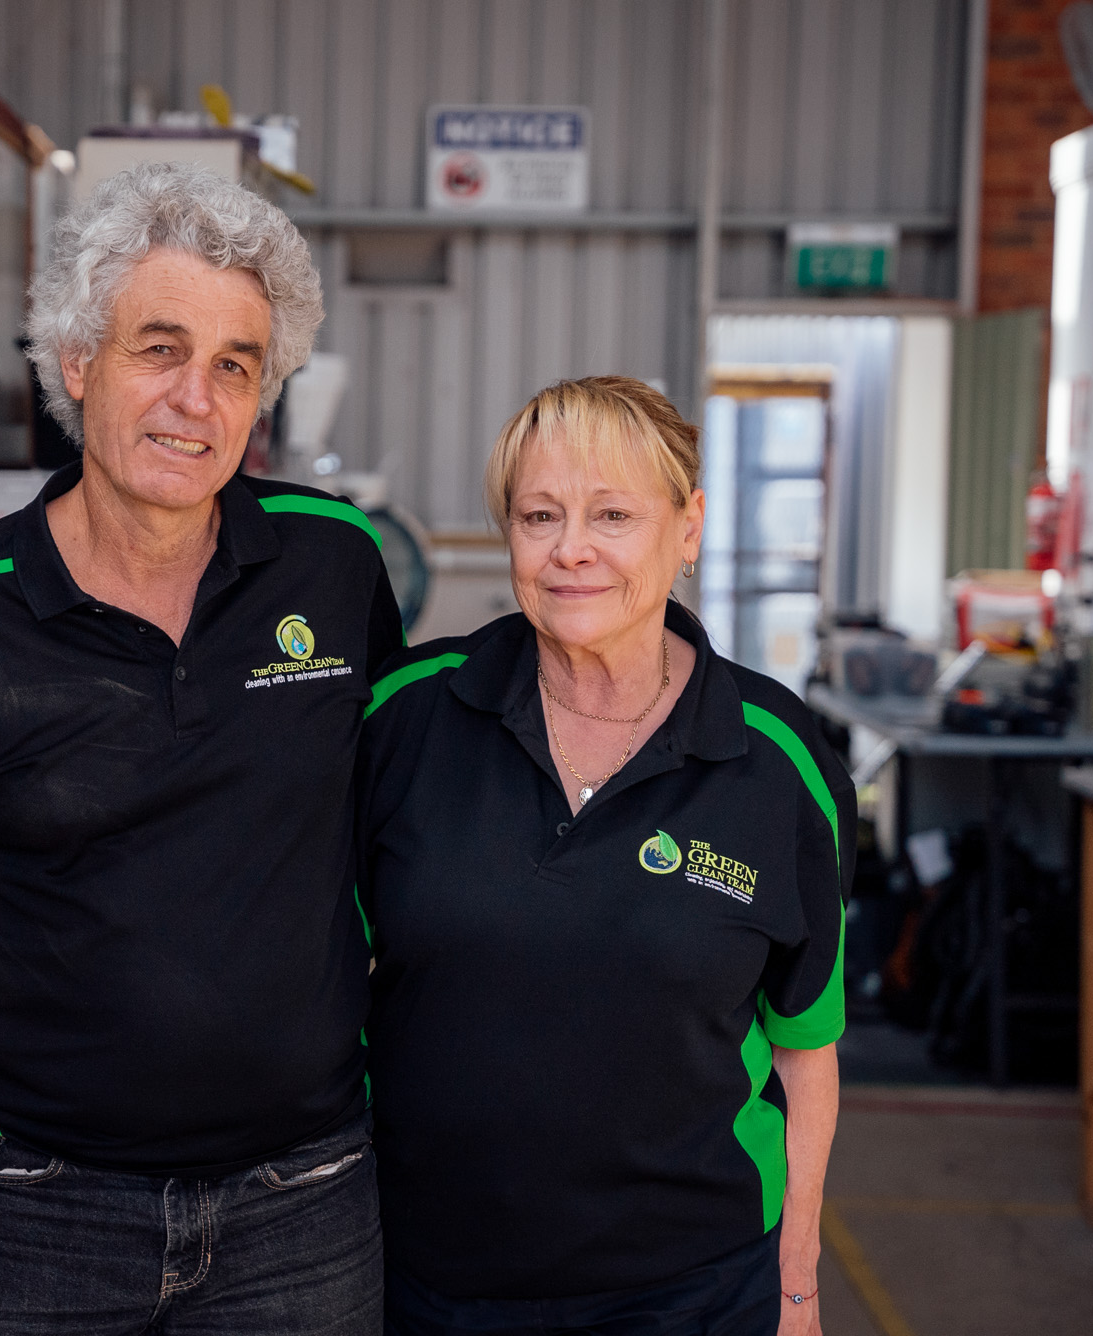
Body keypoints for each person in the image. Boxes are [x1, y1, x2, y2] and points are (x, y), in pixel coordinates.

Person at [0, 160, 402, 1336]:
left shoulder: (334, 569)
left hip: (306, 1205)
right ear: (76, 364)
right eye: (158, 348)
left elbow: (405, 830)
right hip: (34, 1210)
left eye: (234, 366)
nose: (196, 397)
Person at [357, 377, 850, 1335]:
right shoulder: (408, 717)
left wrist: (797, 1283)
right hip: (428, 1278)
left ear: (689, 526)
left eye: (613, 514)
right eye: (540, 515)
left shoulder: (779, 761)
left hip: (696, 1289)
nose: (571, 548)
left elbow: (804, 1049)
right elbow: (285, 936)